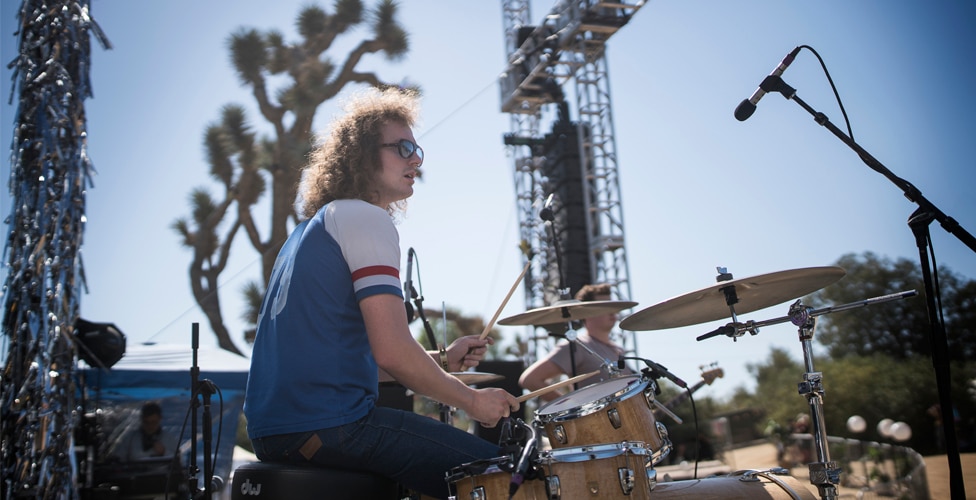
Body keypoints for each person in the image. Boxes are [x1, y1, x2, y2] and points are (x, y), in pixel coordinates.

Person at [243, 87, 520, 499]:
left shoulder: (305, 233)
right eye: (403, 147)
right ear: (362, 155)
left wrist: (441, 360)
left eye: (418, 149)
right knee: (510, 479)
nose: (416, 159)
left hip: (274, 432)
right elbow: (392, 351)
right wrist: (472, 401)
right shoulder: (363, 217)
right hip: (333, 426)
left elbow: (345, 363)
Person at [518, 283, 635, 402]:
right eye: (603, 307)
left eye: (610, 305)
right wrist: (570, 407)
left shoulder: (617, 349)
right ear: (587, 314)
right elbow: (530, 379)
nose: (612, 312)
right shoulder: (578, 346)